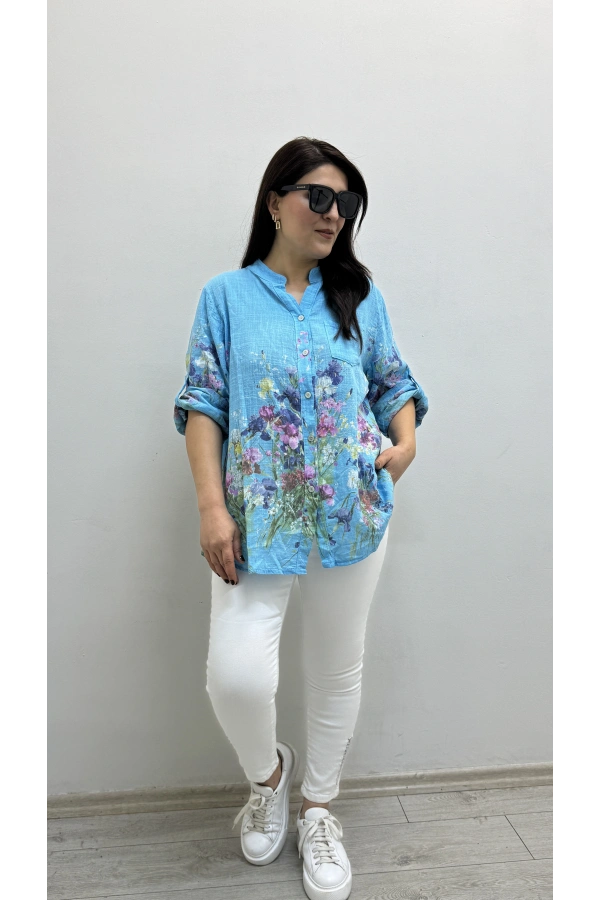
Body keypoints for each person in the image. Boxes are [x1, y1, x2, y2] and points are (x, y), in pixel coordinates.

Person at [173, 136, 429, 900]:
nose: (333, 214)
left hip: (352, 508)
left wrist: (406, 441)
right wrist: (211, 508)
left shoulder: (359, 295)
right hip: (256, 517)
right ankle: (269, 778)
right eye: (319, 197)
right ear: (274, 202)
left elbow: (392, 380)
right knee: (237, 677)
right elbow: (203, 402)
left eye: (345, 203)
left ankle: (319, 808)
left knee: (337, 665)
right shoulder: (225, 296)